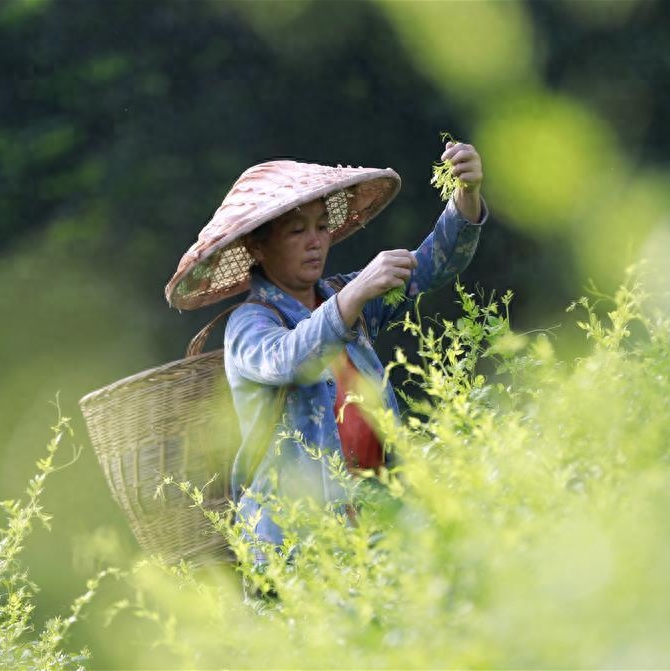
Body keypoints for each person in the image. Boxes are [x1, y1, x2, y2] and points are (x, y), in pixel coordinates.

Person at [165, 142, 486, 565]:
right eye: (297, 231)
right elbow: (290, 359)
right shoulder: (249, 323)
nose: (315, 242)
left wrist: (466, 194)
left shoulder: (341, 294)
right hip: (296, 543)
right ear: (258, 248)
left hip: (378, 524)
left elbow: (432, 265)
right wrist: (355, 294)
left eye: (321, 226)